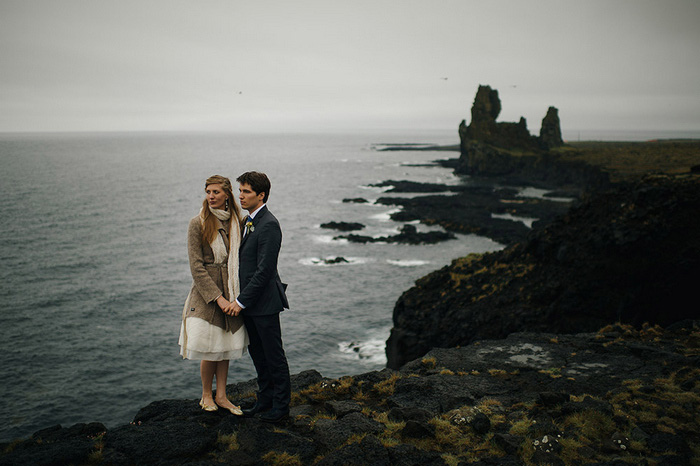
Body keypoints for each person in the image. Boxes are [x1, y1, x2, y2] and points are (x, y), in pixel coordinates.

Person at [178, 175, 248, 415]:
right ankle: (206, 395)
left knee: (224, 347)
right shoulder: (197, 223)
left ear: (227, 194)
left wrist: (236, 299)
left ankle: (222, 396)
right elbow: (196, 268)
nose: (211, 196)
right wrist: (219, 299)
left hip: (232, 290)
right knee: (209, 348)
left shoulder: (237, 221)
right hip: (207, 296)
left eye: (216, 192)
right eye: (208, 191)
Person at [227, 171, 291, 423]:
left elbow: (265, 271)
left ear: (261, 195)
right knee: (258, 355)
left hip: (264, 303)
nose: (240, 196)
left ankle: (281, 407)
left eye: (246, 192)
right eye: (239, 190)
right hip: (250, 304)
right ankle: (265, 400)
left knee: (274, 356)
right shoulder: (248, 221)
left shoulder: (269, 224)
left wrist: (240, 302)